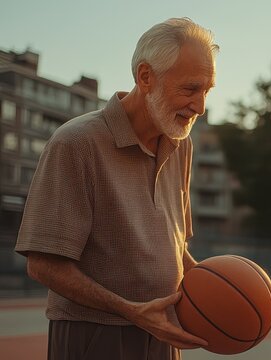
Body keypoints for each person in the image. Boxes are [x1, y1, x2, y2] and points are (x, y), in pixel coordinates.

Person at [15, 17, 218, 360]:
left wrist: (217, 287)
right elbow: (43, 264)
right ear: (145, 77)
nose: (200, 105)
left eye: (207, 91)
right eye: (190, 89)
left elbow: (175, 247)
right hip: (94, 337)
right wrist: (130, 309)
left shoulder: (181, 144)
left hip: (163, 335)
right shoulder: (76, 142)